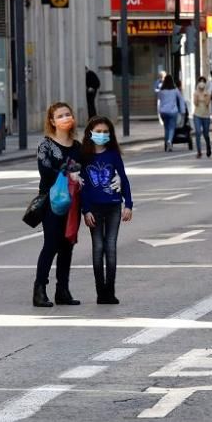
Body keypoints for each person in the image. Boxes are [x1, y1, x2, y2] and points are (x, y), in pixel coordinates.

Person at [80, 116, 133, 304]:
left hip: (113, 207)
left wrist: (128, 204)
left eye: (105, 132)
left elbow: (124, 179)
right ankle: (100, 292)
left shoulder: (113, 154)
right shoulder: (84, 156)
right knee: (98, 247)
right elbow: (82, 187)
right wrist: (85, 210)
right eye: (98, 131)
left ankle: (109, 292)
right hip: (93, 209)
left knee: (110, 247)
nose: (101, 135)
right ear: (90, 133)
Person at [34, 101, 82, 308]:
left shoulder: (78, 146)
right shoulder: (46, 145)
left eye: (67, 114)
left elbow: (85, 169)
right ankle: (39, 291)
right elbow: (45, 170)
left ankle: (63, 290)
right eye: (60, 116)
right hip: (52, 202)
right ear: (52, 121)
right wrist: (67, 173)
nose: (65, 118)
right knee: (51, 244)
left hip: (73, 202)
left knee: (67, 245)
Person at [156, 74, 186, 152]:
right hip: (173, 111)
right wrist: (183, 111)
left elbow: (159, 101)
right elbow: (181, 99)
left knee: (166, 128)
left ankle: (167, 144)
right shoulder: (175, 90)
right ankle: (169, 141)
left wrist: (159, 112)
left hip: (163, 111)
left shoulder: (161, 91)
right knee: (172, 127)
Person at [193, 76, 212, 158]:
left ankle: (208, 146)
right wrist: (197, 95)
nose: (201, 83)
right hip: (197, 115)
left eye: (203, 82)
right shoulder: (195, 93)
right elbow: (195, 103)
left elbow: (207, 103)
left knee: (206, 133)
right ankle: (199, 151)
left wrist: (205, 95)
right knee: (197, 132)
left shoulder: (208, 93)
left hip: (206, 115)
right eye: (200, 82)